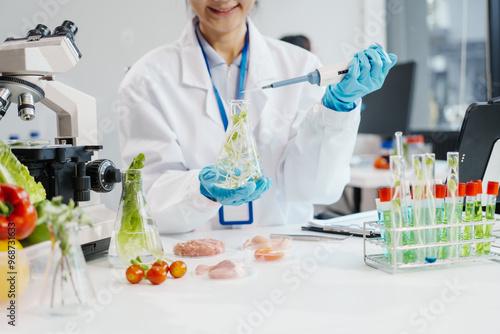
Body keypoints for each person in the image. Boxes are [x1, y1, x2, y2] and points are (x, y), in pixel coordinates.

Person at [118, 0, 397, 233]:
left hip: (285, 255)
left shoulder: (300, 65)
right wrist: (199, 189)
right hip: (190, 266)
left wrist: (336, 110)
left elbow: (316, 188)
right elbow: (147, 201)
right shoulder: (146, 79)